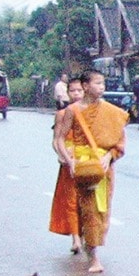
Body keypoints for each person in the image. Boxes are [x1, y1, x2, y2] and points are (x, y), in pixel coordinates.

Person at [61, 71, 129, 274]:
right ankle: (94, 256)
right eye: (97, 83)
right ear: (86, 86)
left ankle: (91, 242)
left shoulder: (112, 112)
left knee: (103, 210)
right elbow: (60, 139)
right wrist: (70, 159)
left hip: (104, 167)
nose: (102, 87)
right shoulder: (73, 110)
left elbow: (120, 141)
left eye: (103, 83)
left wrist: (109, 157)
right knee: (89, 210)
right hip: (84, 167)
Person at [48, 78, 85, 252]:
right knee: (71, 201)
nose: (76, 94)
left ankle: (86, 235)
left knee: (87, 202)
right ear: (67, 93)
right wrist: (62, 156)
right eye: (73, 91)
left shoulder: (91, 113)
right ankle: (76, 239)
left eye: (79, 90)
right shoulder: (62, 115)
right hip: (68, 163)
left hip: (88, 163)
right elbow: (56, 141)